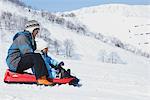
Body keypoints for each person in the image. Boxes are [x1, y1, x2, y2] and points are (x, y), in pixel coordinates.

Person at [6, 20, 54, 86]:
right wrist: (39, 53)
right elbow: (27, 52)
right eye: (36, 31)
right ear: (32, 29)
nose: (37, 33)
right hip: (15, 63)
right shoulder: (22, 38)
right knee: (36, 56)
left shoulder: (29, 38)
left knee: (36, 56)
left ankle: (43, 75)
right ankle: (41, 78)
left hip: (18, 61)